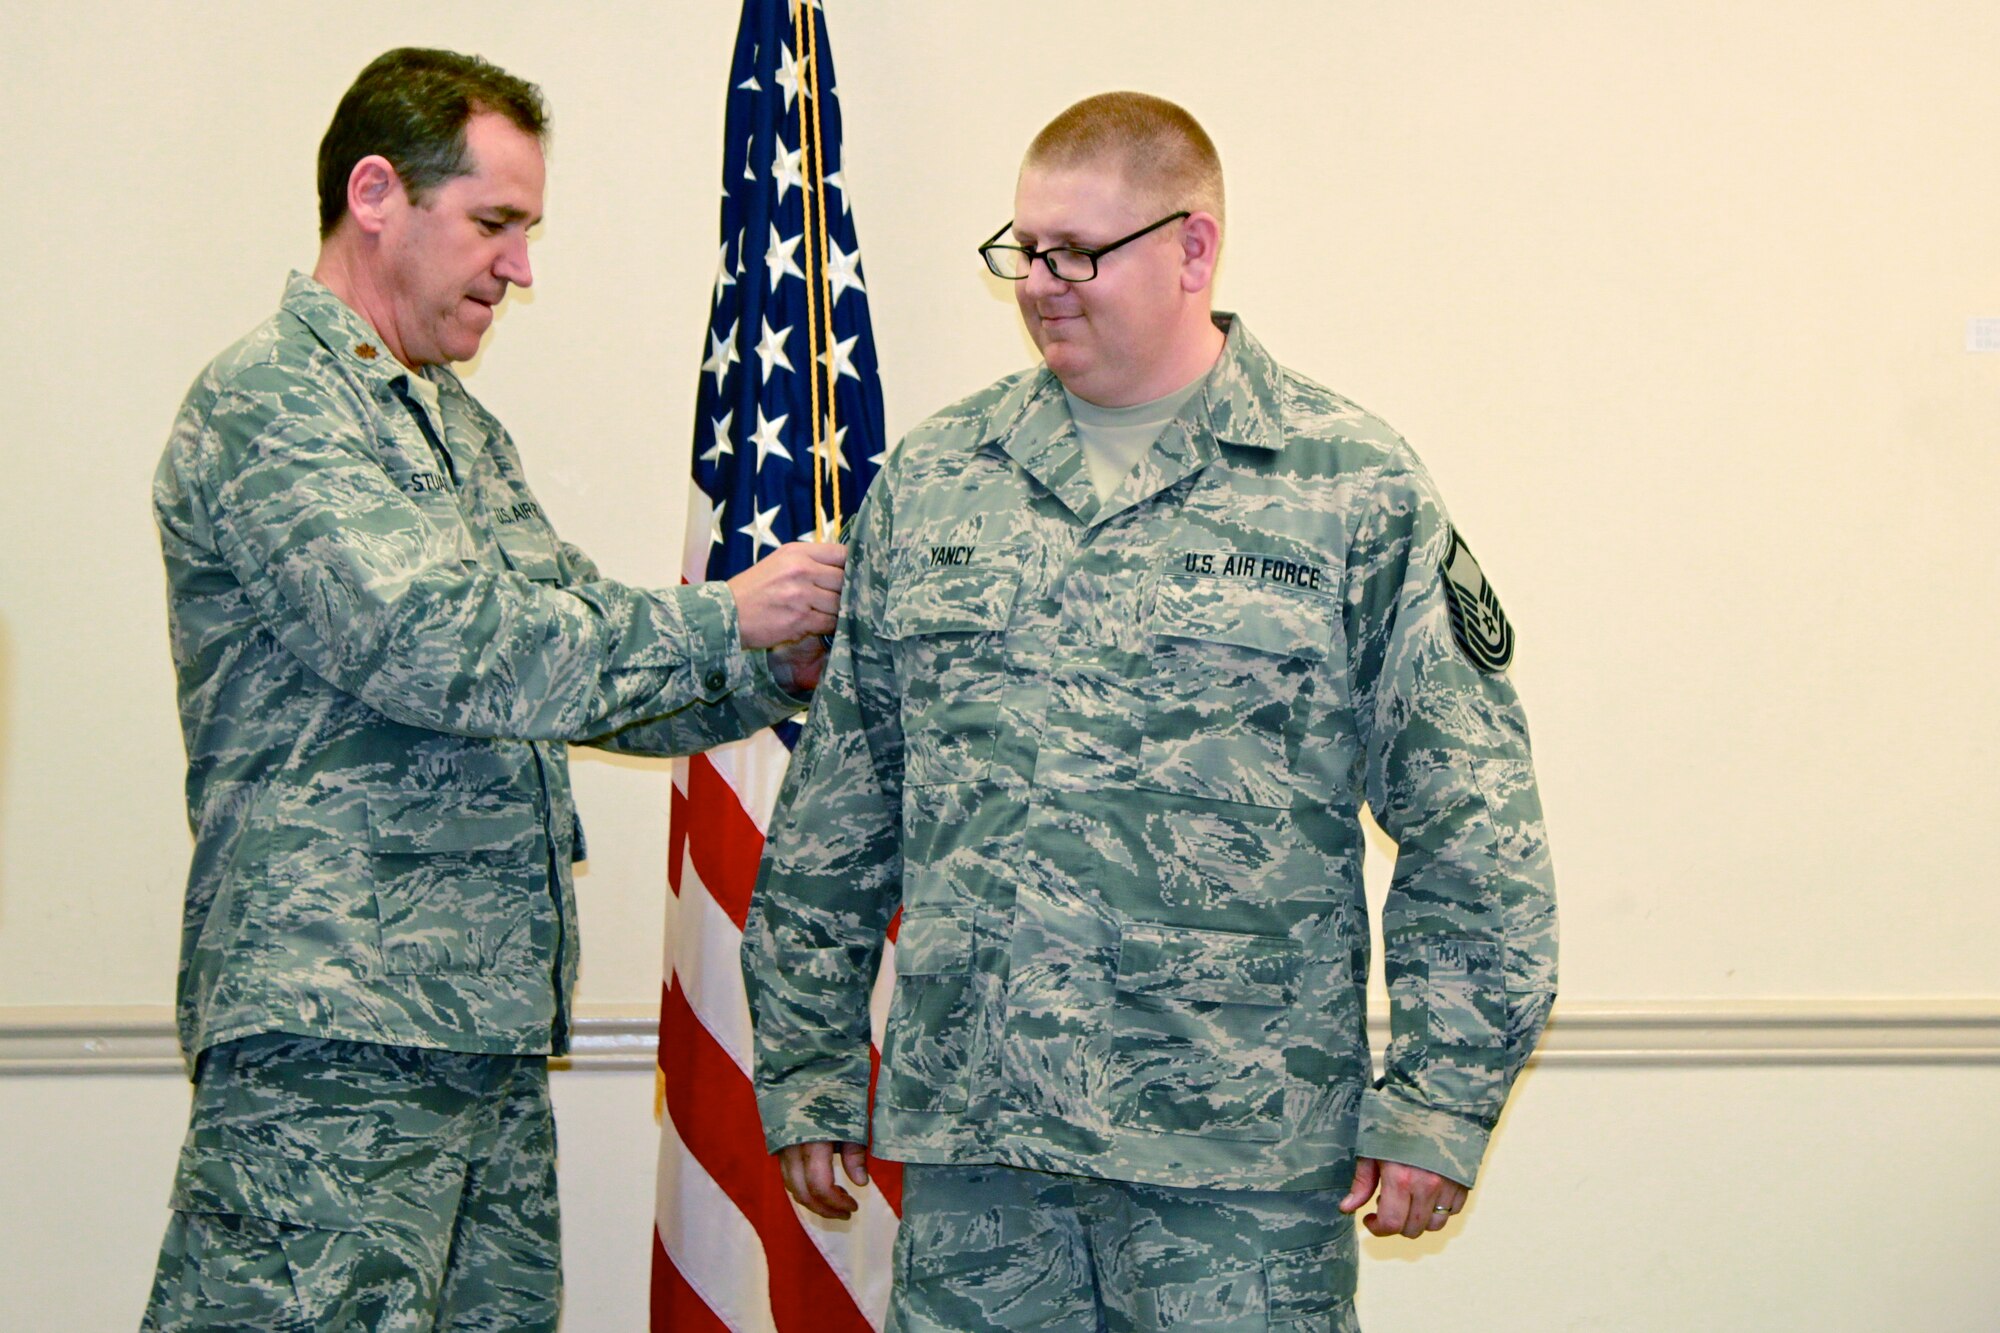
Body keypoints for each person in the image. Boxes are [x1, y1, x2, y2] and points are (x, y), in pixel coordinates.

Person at [743, 91, 1557, 1331]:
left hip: (1235, 1160)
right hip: (981, 1148)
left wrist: (1440, 1096)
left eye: (1078, 252)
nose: (1041, 282)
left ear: (1193, 248)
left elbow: (1472, 823)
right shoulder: (937, 477)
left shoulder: (1348, 485)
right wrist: (807, 1059)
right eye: (1024, 249)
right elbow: (842, 800)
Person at [143, 47, 843, 1331]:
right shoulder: (272, 403)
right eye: (495, 223)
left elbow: (573, 662)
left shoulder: (452, 423)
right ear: (374, 194)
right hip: (332, 1040)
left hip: (480, 1038)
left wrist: (770, 664)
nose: (519, 267)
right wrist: (720, 614)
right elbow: (440, 641)